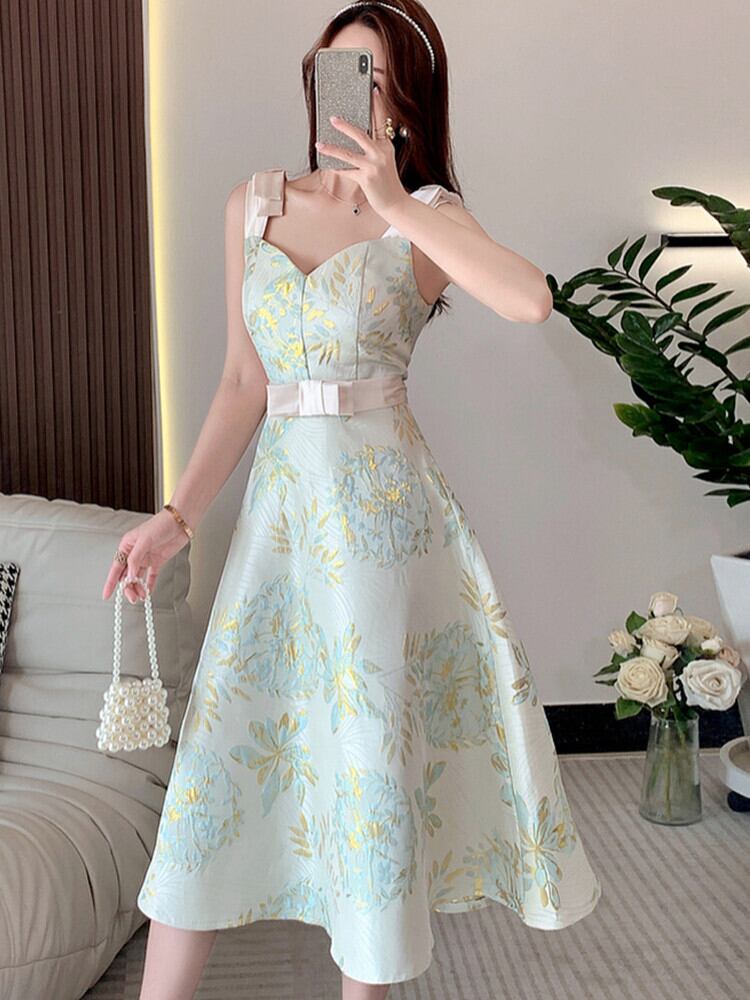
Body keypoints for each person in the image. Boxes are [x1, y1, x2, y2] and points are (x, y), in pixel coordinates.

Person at [101, 2, 602, 998]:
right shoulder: (253, 204)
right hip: (280, 534)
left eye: (371, 76)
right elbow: (243, 383)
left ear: (403, 101)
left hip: (382, 534)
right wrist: (177, 516)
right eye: (333, 69)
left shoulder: (429, 214)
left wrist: (398, 200)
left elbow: (530, 300)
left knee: (369, 774)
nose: (348, 92)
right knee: (214, 776)